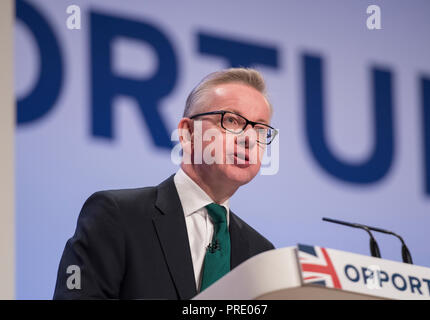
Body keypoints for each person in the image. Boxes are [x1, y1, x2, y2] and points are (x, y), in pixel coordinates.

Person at [53, 68, 277, 299]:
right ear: (188, 133)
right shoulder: (117, 216)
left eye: (260, 130)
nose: (249, 139)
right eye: (231, 120)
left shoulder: (261, 255)